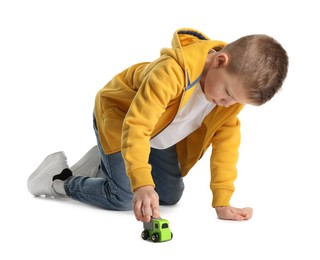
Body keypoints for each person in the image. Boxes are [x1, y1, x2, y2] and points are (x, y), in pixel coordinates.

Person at [27, 28, 288, 222]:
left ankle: (105, 164)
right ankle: (59, 179)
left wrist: (222, 200)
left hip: (158, 134)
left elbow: (226, 148)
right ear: (220, 61)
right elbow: (137, 124)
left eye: (236, 102)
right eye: (228, 93)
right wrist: (141, 184)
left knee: (170, 196)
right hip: (122, 118)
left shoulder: (227, 101)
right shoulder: (173, 71)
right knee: (125, 197)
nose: (226, 104)